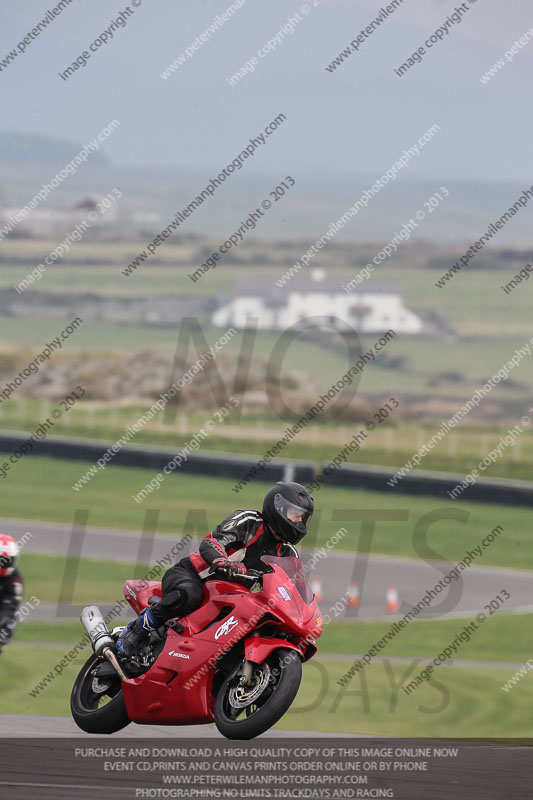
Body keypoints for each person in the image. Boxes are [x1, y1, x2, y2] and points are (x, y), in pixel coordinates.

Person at [117, 481, 314, 658]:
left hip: (230, 596)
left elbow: (296, 589)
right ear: (278, 507)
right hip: (194, 576)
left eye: (302, 518)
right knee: (188, 594)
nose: (299, 522)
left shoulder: (289, 553)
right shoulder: (249, 521)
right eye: (295, 515)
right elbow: (212, 541)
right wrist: (221, 561)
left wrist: (306, 615)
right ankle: (139, 630)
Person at [0, 534, 23, 655]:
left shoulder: (14, 578)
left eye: (9, 560)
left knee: (10, 620)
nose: (6, 564)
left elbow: (10, 606)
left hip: (2, 614)